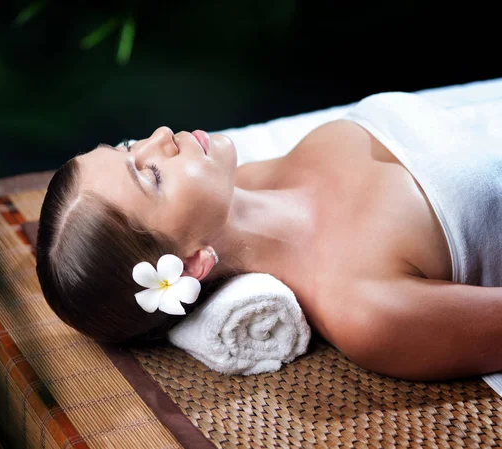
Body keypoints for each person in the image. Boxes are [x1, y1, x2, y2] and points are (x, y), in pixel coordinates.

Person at [35, 91, 502, 383]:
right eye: (153, 175)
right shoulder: (364, 307)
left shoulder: (257, 177)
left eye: (127, 148)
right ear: (193, 263)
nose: (161, 136)